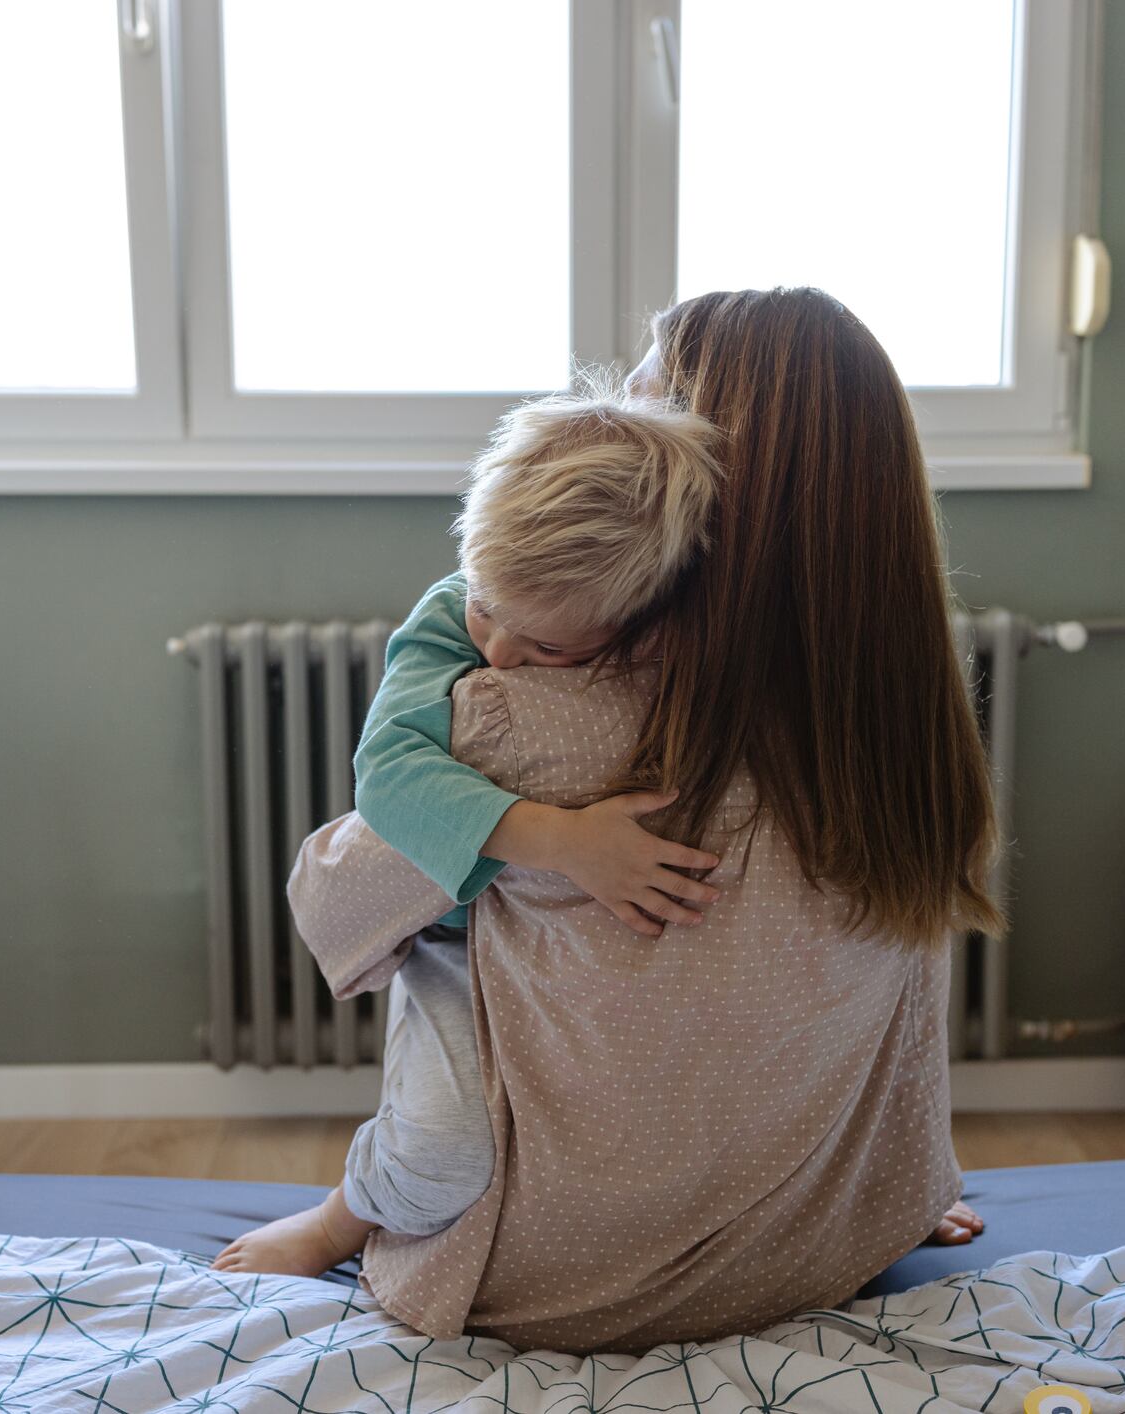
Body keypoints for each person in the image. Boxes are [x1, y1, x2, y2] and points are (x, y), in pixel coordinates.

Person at [260, 288, 995, 1354]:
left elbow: (330, 896)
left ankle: (347, 1213)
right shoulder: (905, 743)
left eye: (646, 386)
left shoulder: (535, 723)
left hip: (555, 1284)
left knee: (415, 941)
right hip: (813, 1252)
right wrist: (899, 1187)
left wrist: (509, 842)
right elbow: (905, 1006)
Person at [215, 387, 728, 1278]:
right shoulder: (449, 616)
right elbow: (389, 777)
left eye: (551, 651)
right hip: (457, 941)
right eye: (492, 610)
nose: (496, 655)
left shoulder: (669, 631)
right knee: (443, 1153)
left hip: (585, 955)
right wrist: (564, 839)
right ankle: (342, 1216)